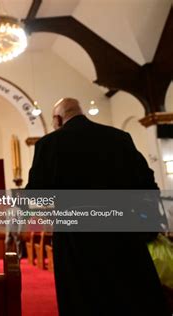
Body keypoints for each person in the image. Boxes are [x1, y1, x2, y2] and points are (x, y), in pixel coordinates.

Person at [25, 98, 169, 315]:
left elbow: (35, 197)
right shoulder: (119, 138)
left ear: (57, 118)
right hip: (123, 235)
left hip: (75, 242)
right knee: (129, 299)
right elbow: (148, 186)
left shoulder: (48, 145)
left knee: (83, 301)